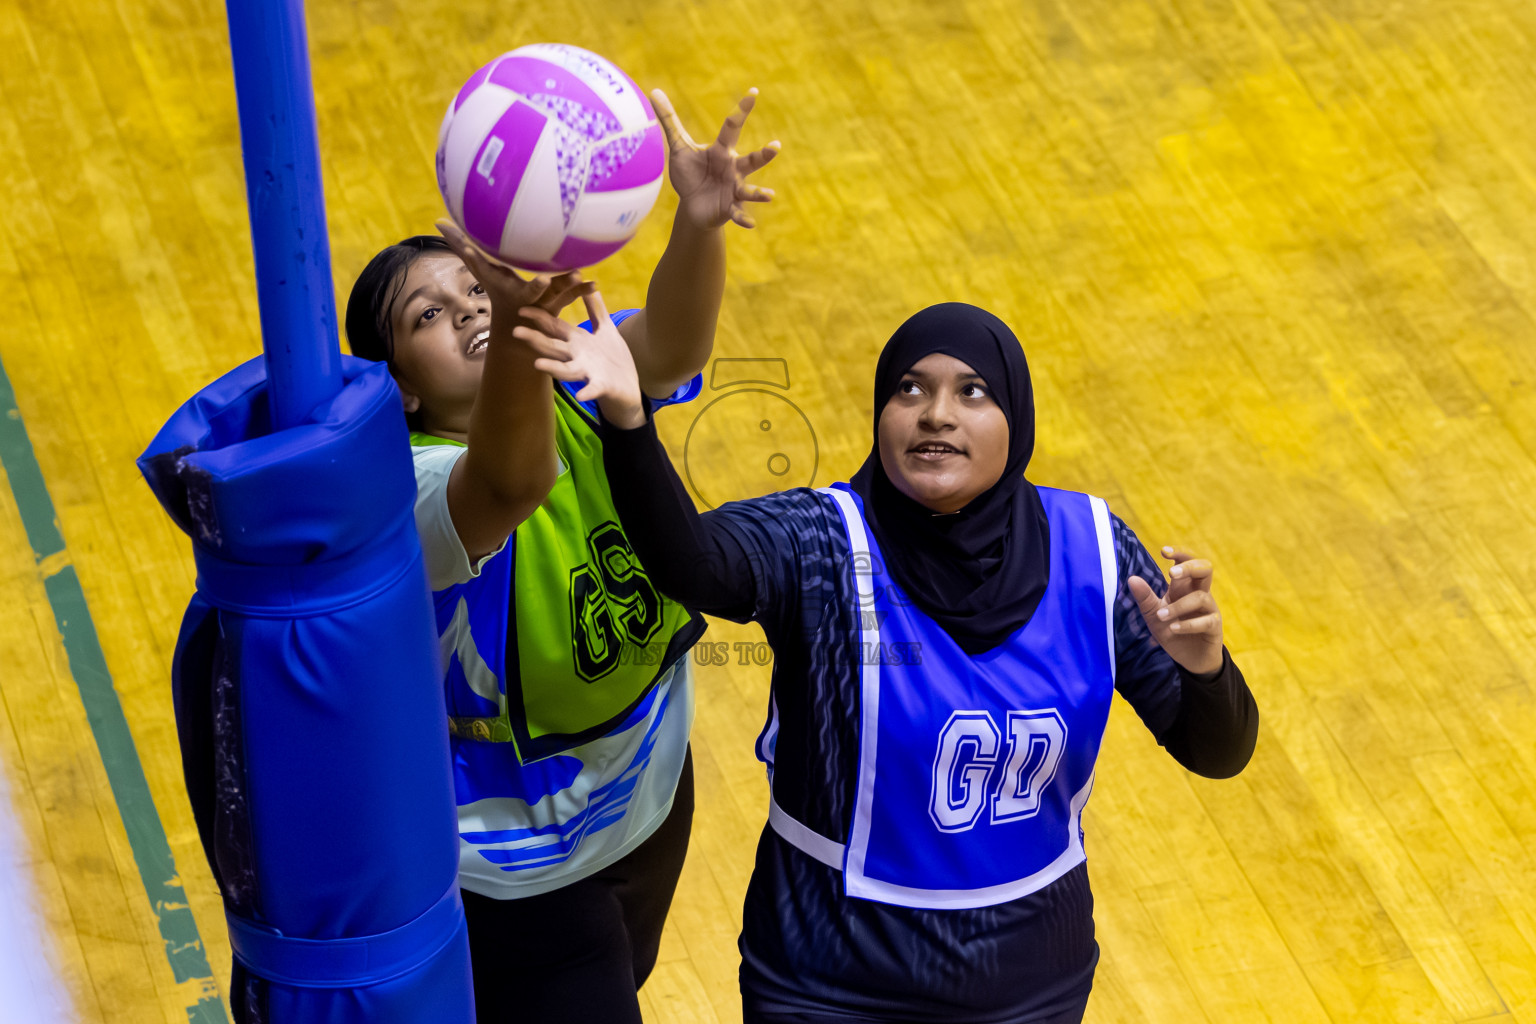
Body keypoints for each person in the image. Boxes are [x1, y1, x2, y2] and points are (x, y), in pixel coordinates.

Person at [512, 299, 1260, 1023]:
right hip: (831, 983)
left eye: (973, 392)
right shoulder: (822, 542)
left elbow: (1217, 752)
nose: (936, 413)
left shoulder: (1095, 547)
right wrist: (629, 423)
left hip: (1031, 984)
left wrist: (1205, 670)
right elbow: (693, 563)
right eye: (910, 389)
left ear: (1017, 421)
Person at [343, 88, 777, 1024]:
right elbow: (508, 482)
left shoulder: (572, 374)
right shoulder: (405, 492)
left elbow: (667, 345)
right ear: (401, 389)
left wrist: (699, 228)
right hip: (514, 867)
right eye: (429, 315)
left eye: (475, 290)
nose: (467, 311)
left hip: (649, 791)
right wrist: (515, 332)